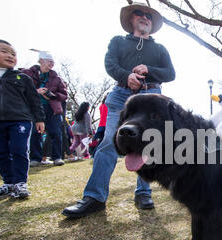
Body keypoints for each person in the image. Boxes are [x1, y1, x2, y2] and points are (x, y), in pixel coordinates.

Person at [62, 2, 175, 218]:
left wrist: (150, 70)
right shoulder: (118, 42)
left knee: (148, 144)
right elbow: (110, 64)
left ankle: (143, 192)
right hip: (121, 96)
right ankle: (94, 197)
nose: (144, 18)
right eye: (139, 14)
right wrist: (127, 76)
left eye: (149, 16)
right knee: (108, 143)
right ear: (131, 19)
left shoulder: (160, 49)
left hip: (150, 97)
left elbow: (170, 73)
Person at [0, 39, 45, 199]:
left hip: (20, 120)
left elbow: (34, 101)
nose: (10, 56)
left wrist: (39, 119)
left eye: (13, 54)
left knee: (19, 149)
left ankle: (20, 182)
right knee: (0, 152)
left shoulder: (23, 78)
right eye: (4, 51)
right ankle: (8, 182)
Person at [21, 50, 68, 167]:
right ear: (41, 61)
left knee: (56, 132)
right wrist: (35, 91)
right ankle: (35, 158)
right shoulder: (28, 73)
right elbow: (20, 89)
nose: (52, 64)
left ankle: (57, 157)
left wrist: (52, 94)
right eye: (49, 61)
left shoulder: (56, 78)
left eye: (53, 62)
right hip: (35, 108)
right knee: (35, 132)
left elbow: (64, 94)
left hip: (52, 109)